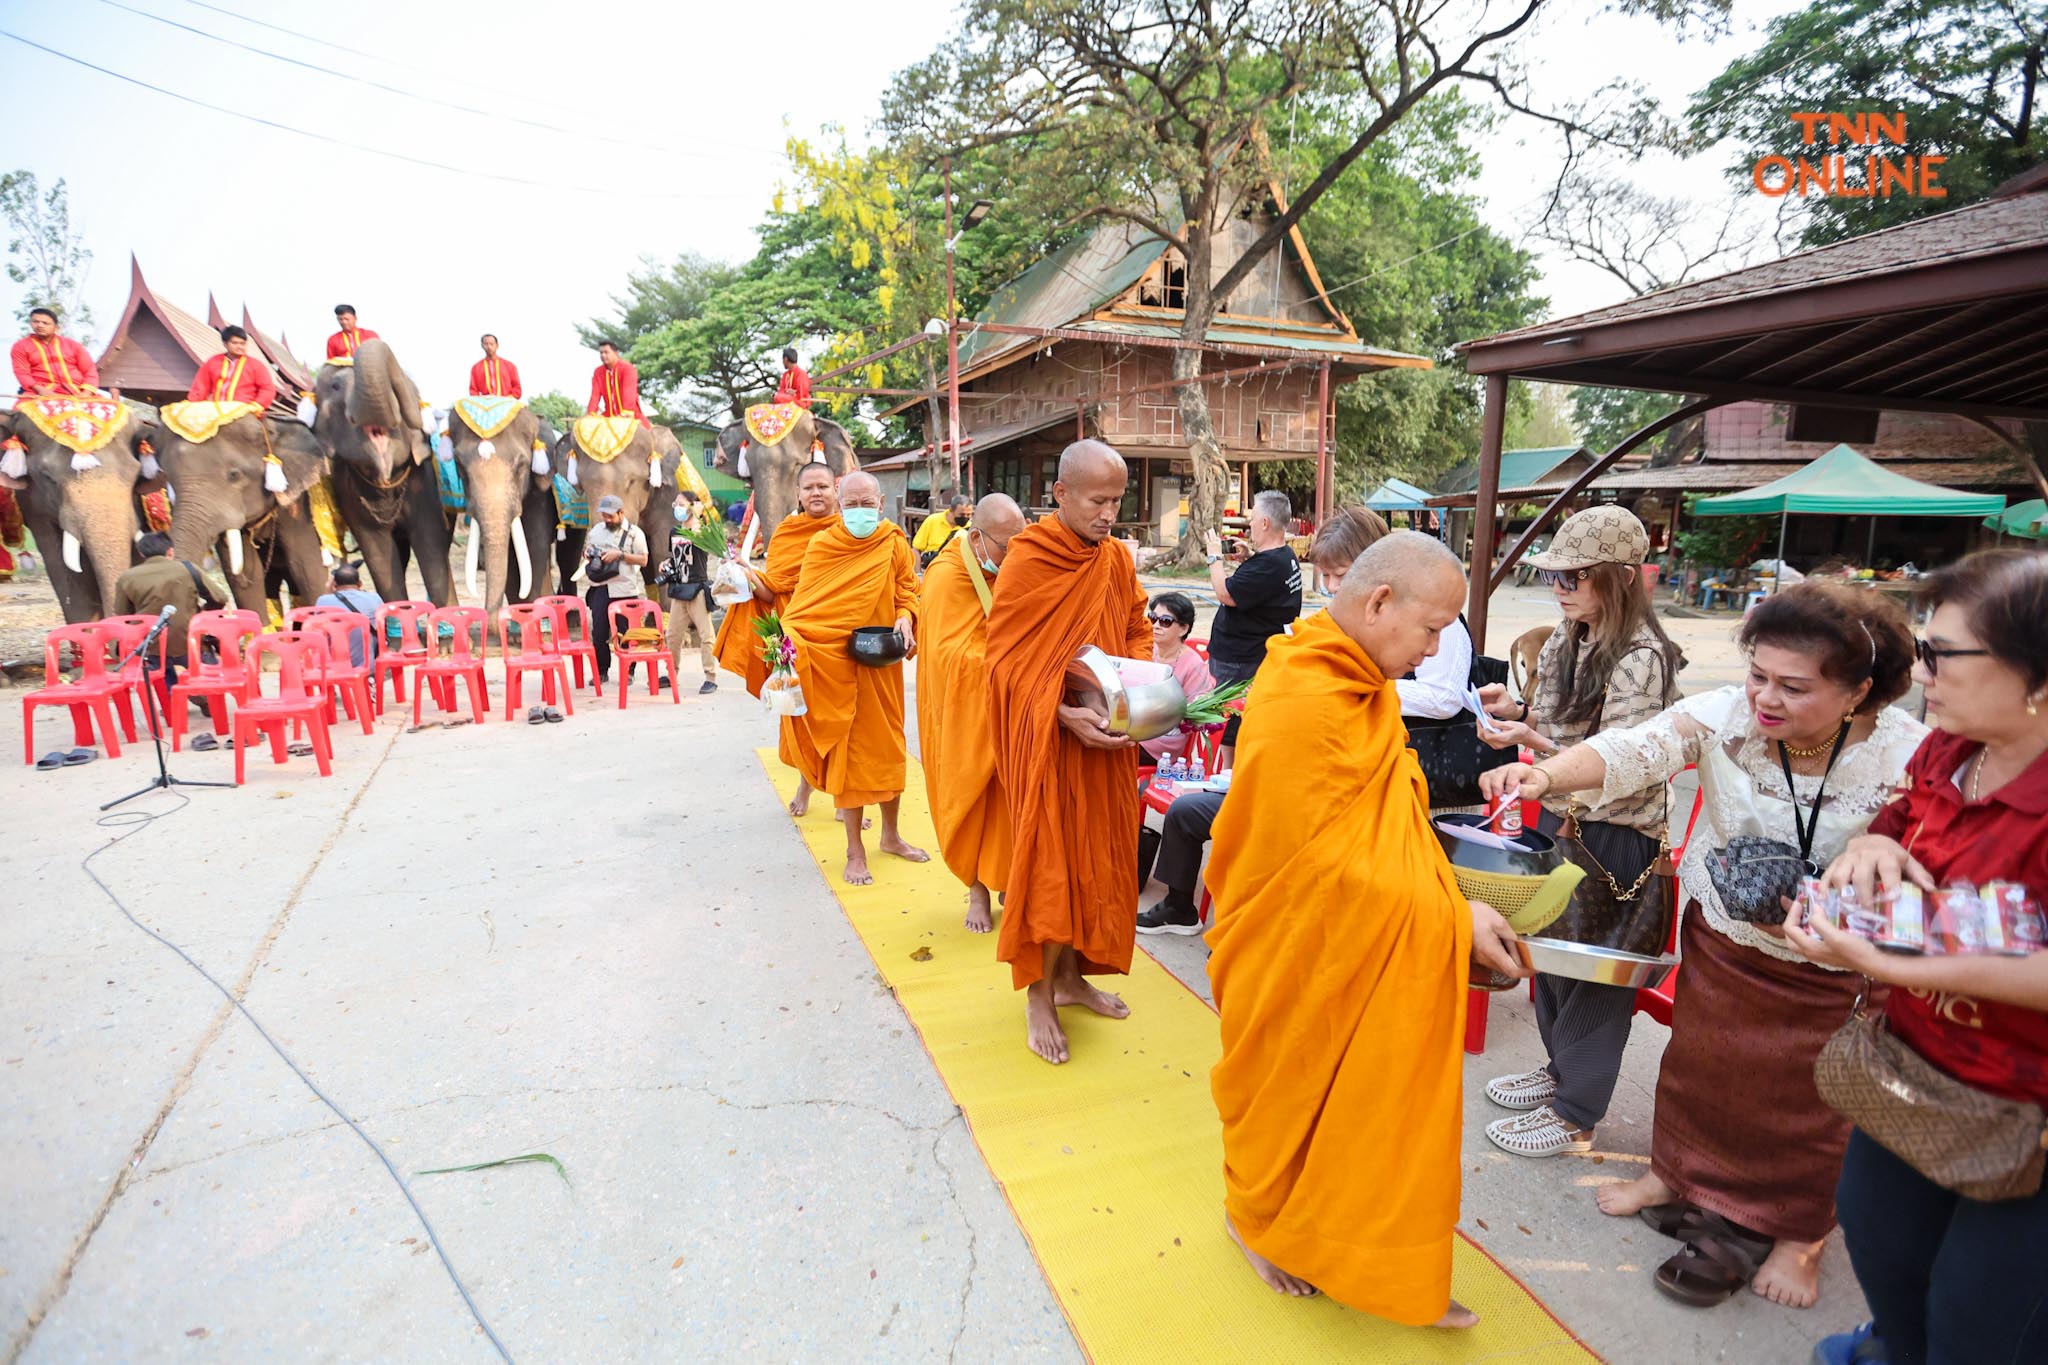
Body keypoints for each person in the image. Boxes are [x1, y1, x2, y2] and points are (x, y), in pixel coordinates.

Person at [1482, 579, 1925, 1311]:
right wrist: (1545, 772)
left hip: (1837, 964)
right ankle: (1673, 1174)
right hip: (1727, 937)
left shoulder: (1905, 753)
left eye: (1793, 685)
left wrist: (1882, 834)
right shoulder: (1724, 717)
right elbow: (1635, 748)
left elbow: (1937, 842)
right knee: (1698, 1069)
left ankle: (1800, 1234)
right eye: (1757, 675)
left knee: (1817, 1106)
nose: (1765, 698)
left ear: (1858, 692)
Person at [1207, 531, 1525, 1324]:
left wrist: (1455, 903)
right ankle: (1254, 1217)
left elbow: (1387, 830)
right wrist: (1453, 917)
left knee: (1378, 1098)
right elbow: (1322, 869)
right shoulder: (1307, 691)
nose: (1431, 653)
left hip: (1359, 936)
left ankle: (1372, 1254)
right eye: (1430, 630)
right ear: (1380, 601)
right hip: (1292, 944)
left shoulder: (1363, 680)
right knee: (1287, 1090)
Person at [1789, 550, 2048, 1365]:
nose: (1921, 672)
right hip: (1917, 1070)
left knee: (1983, 1322)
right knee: (1882, 1244)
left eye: (1942, 655)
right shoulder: (1950, 749)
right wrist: (1868, 848)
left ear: (2037, 674)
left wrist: (1904, 968)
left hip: (2028, 1114)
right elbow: (1898, 821)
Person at [1464, 507, 1685, 1161]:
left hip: (1616, 831)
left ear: (1617, 579)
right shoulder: (1569, 634)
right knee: (1550, 958)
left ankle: (1576, 1110)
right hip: (1562, 813)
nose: (1560, 585)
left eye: (1576, 574)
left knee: (1595, 973)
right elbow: (1561, 725)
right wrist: (1521, 713)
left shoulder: (1644, 654)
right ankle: (1561, 1070)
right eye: (1554, 572)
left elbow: (1619, 756)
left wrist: (1531, 742)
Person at [1135, 509, 1393, 940]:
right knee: (1189, 812)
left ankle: (1256, 929)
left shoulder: (1387, 636)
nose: (1330, 588)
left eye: (1339, 575)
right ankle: (1188, 909)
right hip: (1279, 776)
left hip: (1329, 795)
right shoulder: (1322, 628)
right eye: (1325, 576)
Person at [985, 439, 1151, 1065]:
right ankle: (1037, 993)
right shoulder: (1030, 557)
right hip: (1050, 742)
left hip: (1105, 736)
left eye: (1118, 501)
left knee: (1096, 861)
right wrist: (1059, 712)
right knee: (1050, 862)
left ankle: (1072, 976)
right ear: (1060, 495)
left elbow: (1135, 627)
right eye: (1098, 501)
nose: (1110, 514)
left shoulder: (1113, 560)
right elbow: (1002, 662)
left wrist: (1137, 691)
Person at [777, 471, 928, 885]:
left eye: (868, 504)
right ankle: (854, 849)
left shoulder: (894, 542)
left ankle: (892, 837)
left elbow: (907, 591)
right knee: (853, 756)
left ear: (881, 504)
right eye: (852, 505)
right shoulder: (823, 545)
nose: (860, 512)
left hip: (884, 663)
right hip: (838, 667)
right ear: (840, 507)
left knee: (890, 749)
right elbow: (804, 610)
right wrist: (787, 648)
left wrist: (905, 617)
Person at [917, 493, 1026, 933]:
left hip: (1006, 706)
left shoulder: (1010, 561)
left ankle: (1007, 880)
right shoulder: (947, 575)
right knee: (975, 795)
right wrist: (1009, 664)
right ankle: (977, 890)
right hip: (963, 708)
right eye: (1006, 545)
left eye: (1021, 543)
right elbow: (948, 654)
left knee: (1012, 799)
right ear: (977, 538)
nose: (1014, 554)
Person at [1201, 489, 1301, 767]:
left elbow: (1225, 594)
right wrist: (1249, 557)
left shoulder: (1269, 566)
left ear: (1266, 523)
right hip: (1251, 653)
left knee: (1231, 721)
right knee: (1236, 719)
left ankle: (1229, 777)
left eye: (1254, 518)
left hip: (1240, 658)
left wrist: (1214, 557)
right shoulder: (1283, 557)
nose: (1251, 524)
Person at [110, 532, 225, 698]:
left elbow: (123, 615)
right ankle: (204, 696)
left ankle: (172, 697)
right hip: (191, 641)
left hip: (152, 646)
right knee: (200, 655)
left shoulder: (127, 578)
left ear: (142, 554)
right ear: (170, 551)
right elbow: (220, 597)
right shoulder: (187, 569)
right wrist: (203, 613)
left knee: (161, 667)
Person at [1138, 592, 1213, 765]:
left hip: (1162, 741)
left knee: (1111, 749)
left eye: (1165, 621)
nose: (1156, 626)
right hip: (1135, 728)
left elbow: (1197, 714)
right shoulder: (1145, 649)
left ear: (1183, 629)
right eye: (1152, 618)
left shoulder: (1193, 664)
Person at [581, 494, 647, 684]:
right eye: (604, 516)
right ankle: (601, 671)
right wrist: (588, 554)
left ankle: (628, 671)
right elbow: (588, 551)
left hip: (624, 589)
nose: (607, 520)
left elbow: (643, 559)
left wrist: (620, 555)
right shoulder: (596, 531)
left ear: (621, 513)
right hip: (600, 587)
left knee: (626, 632)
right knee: (599, 632)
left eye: (611, 516)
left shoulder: (635, 533)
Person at [657, 490, 719, 695]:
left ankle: (710, 676)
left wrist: (699, 518)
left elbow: (711, 548)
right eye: (675, 504)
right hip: (678, 589)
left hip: (698, 589)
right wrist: (667, 564)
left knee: (706, 635)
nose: (677, 508)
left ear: (693, 506)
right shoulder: (675, 532)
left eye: (682, 504)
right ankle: (671, 673)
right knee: (672, 635)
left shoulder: (703, 532)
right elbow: (676, 558)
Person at [12, 307, 99, 395]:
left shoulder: (73, 345)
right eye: (35, 322)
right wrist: (41, 390)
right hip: (39, 392)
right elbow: (22, 373)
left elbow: (90, 370)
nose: (40, 325)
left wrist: (86, 393)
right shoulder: (20, 346)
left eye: (45, 323)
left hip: (77, 392)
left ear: (56, 327)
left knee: (109, 408)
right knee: (28, 408)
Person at [187, 326, 279, 410]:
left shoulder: (256, 365)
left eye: (242, 343)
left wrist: (256, 405)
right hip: (215, 410)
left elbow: (267, 389)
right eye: (235, 343)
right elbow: (200, 387)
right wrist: (192, 405)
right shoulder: (212, 362)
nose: (239, 347)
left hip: (244, 411)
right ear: (225, 344)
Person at [314, 563, 383, 667]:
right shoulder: (374, 598)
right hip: (366, 665)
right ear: (360, 583)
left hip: (332, 665)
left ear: (334, 584)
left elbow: (317, 625)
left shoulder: (322, 601)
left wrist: (328, 588)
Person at [587, 339, 647, 426]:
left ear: (616, 353)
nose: (603, 355)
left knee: (649, 436)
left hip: (630, 415)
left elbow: (629, 393)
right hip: (609, 416)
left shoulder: (627, 368)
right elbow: (595, 395)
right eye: (601, 353)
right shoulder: (598, 372)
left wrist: (625, 413)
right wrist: (591, 413)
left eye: (606, 352)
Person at [913, 496, 972, 562]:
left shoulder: (970, 528)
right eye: (962, 514)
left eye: (969, 515)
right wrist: (918, 572)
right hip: (932, 566)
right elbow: (916, 549)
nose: (965, 517)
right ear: (951, 510)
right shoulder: (933, 520)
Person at [468, 334, 522, 398]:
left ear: (497, 345)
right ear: (482, 346)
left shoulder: (509, 366)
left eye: (491, 344)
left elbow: (517, 388)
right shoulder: (476, 368)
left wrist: (508, 399)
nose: (489, 347)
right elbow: (473, 390)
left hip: (507, 403)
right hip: (485, 404)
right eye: (486, 344)